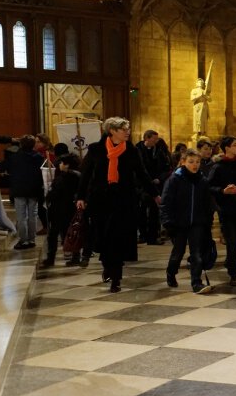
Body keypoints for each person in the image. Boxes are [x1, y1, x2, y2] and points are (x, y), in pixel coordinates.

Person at [76, 118, 159, 292]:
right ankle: (108, 265)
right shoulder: (96, 149)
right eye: (123, 129)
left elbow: (142, 173)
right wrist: (81, 197)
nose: (127, 132)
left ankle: (116, 277)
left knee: (119, 238)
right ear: (112, 131)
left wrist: (154, 194)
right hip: (101, 200)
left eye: (128, 128)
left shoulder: (131, 150)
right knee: (104, 237)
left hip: (124, 200)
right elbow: (85, 175)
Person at [161, 149, 215, 294]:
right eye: (191, 162)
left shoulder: (202, 181)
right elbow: (166, 202)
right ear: (183, 162)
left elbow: (207, 203)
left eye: (197, 162)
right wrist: (167, 222)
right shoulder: (174, 179)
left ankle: (196, 282)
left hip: (197, 223)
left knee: (196, 253)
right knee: (178, 252)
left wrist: (207, 221)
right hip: (178, 223)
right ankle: (171, 272)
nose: (195, 165)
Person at [206, 137, 236, 287]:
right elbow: (209, 187)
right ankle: (234, 272)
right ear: (226, 148)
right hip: (226, 209)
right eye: (235, 145)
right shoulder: (218, 167)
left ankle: (229, 260)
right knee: (232, 240)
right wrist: (223, 190)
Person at [3, 135, 44, 250]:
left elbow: (2, 167)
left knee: (21, 216)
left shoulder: (14, 157)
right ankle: (31, 239)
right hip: (34, 189)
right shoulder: (39, 157)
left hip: (19, 189)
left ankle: (23, 240)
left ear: (21, 145)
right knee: (33, 215)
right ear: (33, 145)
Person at [41, 153, 80, 267]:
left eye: (62, 163)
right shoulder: (78, 175)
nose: (60, 165)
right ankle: (75, 257)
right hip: (72, 209)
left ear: (67, 165)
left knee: (53, 235)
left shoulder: (63, 178)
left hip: (59, 210)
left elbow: (54, 193)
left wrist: (48, 195)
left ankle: (50, 258)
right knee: (72, 234)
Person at [137, 130, 171, 245]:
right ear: (147, 138)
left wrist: (159, 178)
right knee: (141, 211)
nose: (156, 141)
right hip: (141, 186)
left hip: (156, 185)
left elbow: (166, 168)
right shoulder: (137, 150)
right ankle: (142, 235)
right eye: (154, 139)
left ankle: (152, 236)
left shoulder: (159, 151)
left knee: (154, 212)